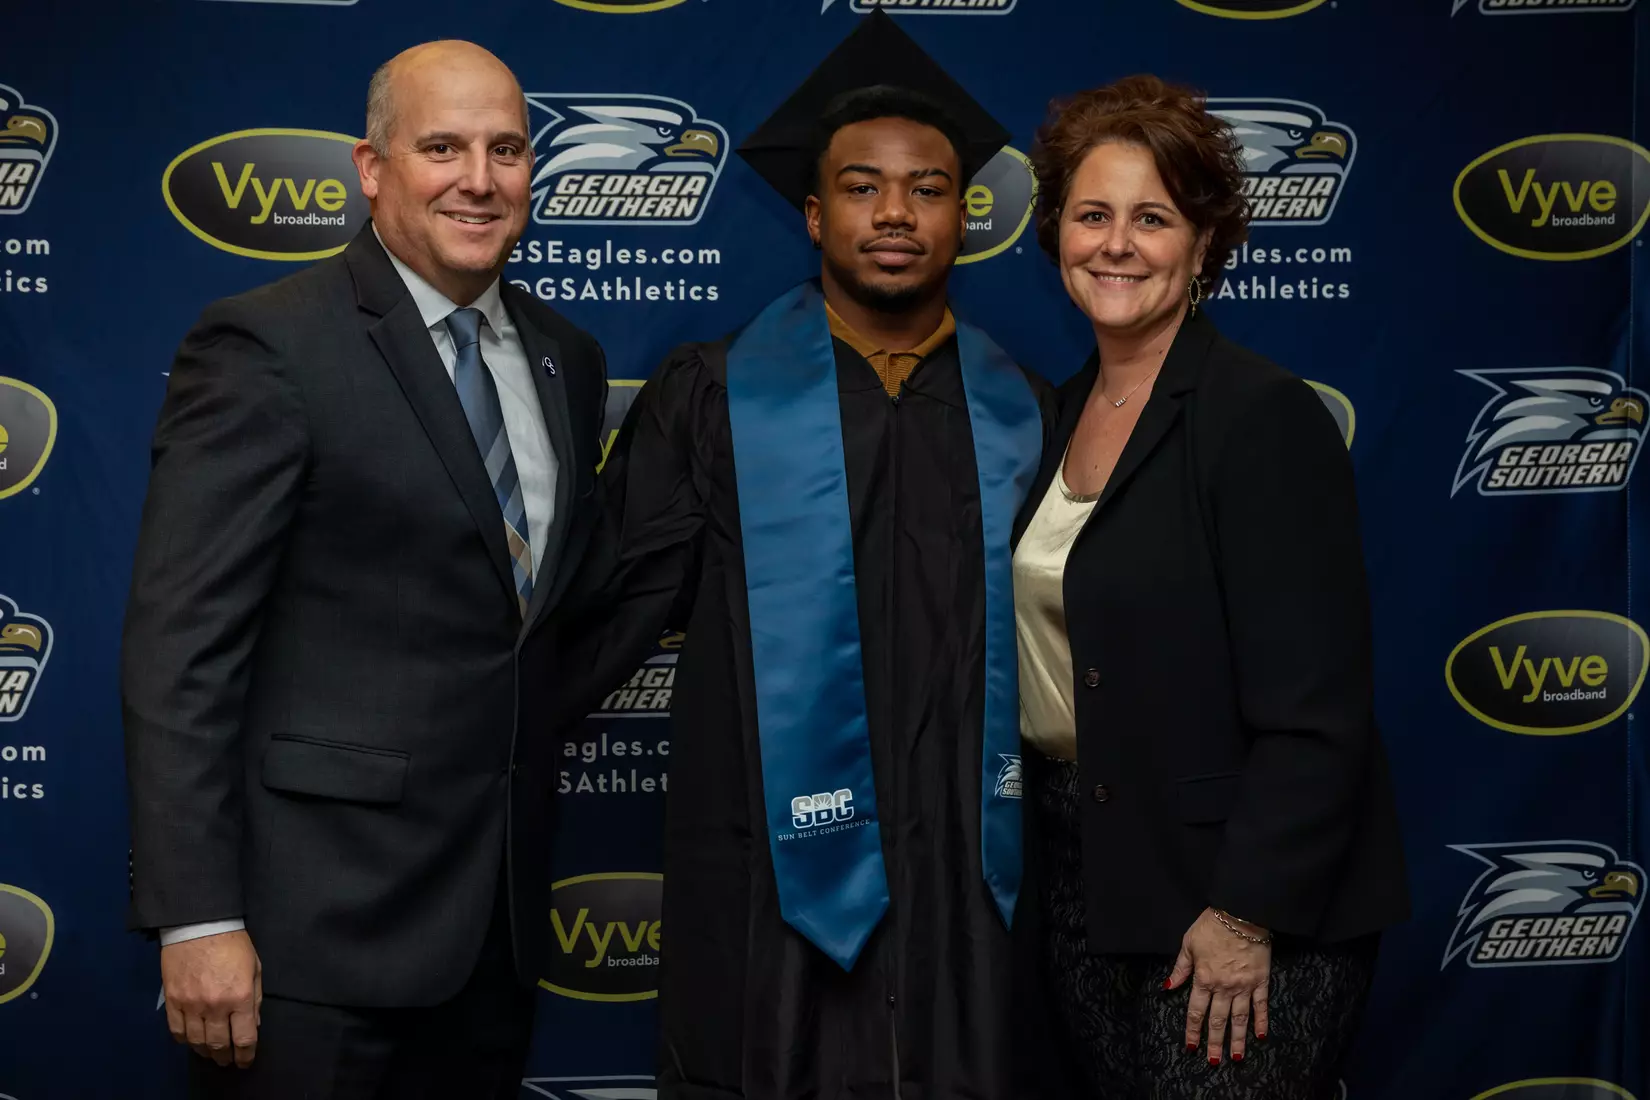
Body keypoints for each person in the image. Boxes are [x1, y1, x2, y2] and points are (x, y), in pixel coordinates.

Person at [567, 13, 1056, 1098]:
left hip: (969, 875)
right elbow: (603, 612)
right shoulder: (713, 397)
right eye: (862, 187)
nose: (896, 213)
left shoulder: (1025, 412)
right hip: (770, 875)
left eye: (928, 188)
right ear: (814, 213)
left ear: (965, 215)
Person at [121, 40, 608, 1098]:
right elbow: (181, 649)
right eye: (442, 148)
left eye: (507, 149)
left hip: (494, 940)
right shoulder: (270, 346)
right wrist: (197, 917)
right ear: (372, 168)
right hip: (307, 946)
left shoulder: (568, 357)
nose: (479, 179)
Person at [1011, 75, 1408, 1098]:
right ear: (1056, 233)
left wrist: (1244, 913)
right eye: (1092, 215)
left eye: (1153, 218)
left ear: (1203, 244)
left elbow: (1318, 711)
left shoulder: (1260, 417)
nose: (1116, 244)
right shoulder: (1049, 416)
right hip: (1085, 875)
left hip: (1239, 895)